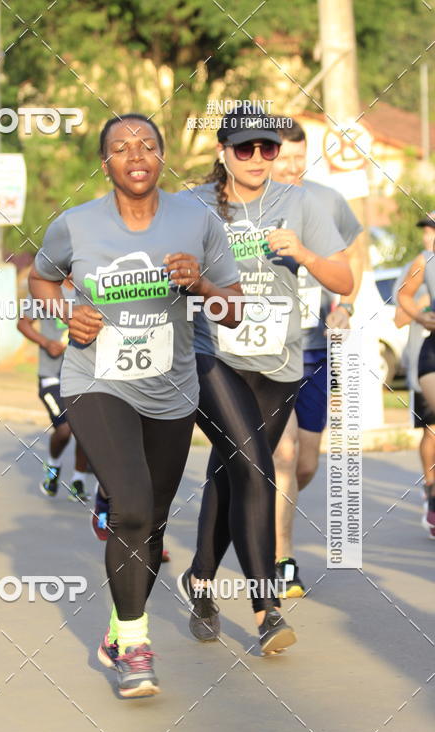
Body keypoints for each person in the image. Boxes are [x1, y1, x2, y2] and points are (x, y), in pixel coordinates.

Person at [29, 113, 242, 698]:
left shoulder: (197, 220)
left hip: (171, 390)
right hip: (96, 379)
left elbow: (236, 309)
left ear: (162, 155)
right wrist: (64, 315)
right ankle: (138, 646)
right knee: (130, 507)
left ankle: (117, 631)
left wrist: (201, 286)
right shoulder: (74, 226)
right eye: (121, 147)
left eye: (147, 143)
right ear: (107, 165)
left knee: (151, 521)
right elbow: (42, 283)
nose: (136, 153)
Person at [176, 112, 352, 650]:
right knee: (255, 469)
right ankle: (266, 608)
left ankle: (200, 579)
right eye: (245, 149)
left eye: (267, 150)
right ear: (224, 151)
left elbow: (346, 279)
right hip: (213, 356)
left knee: (231, 473)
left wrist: (302, 253)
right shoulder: (193, 204)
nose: (257, 159)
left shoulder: (302, 204)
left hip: (278, 364)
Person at [270, 120, 364, 596]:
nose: (292, 167)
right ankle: (282, 558)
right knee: (282, 455)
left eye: (298, 158)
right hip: (269, 352)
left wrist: (344, 304)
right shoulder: (253, 205)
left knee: (305, 464)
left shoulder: (326, 201)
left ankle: (267, 513)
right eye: (283, 157)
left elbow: (353, 255)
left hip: (314, 350)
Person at [17, 290, 91, 502]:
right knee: (65, 428)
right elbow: (23, 323)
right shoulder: (45, 289)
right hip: (51, 377)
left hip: (84, 375)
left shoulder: (89, 287)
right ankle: (53, 468)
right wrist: (46, 342)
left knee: (85, 430)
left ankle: (78, 481)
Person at [397, 210, 435, 536]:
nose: (429, 235)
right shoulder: (424, 262)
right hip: (430, 354)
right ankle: (432, 488)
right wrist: (422, 316)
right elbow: (402, 302)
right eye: (428, 230)